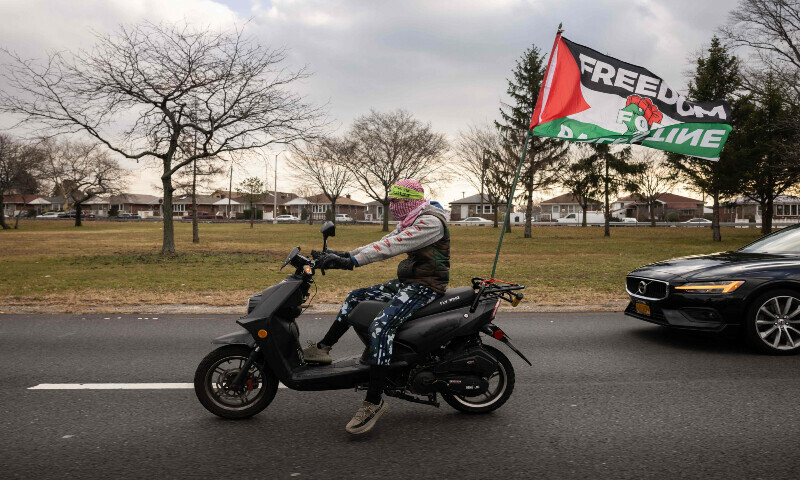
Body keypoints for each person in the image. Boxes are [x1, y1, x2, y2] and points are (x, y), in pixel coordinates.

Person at [305, 179, 450, 435]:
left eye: (397, 200)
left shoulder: (430, 222)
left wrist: (349, 263)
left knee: (381, 327)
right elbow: (383, 240)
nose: (392, 206)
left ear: (410, 200)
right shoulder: (412, 219)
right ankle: (322, 349)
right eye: (391, 200)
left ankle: (374, 401)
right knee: (355, 298)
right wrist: (342, 255)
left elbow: (390, 247)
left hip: (426, 286)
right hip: (409, 282)